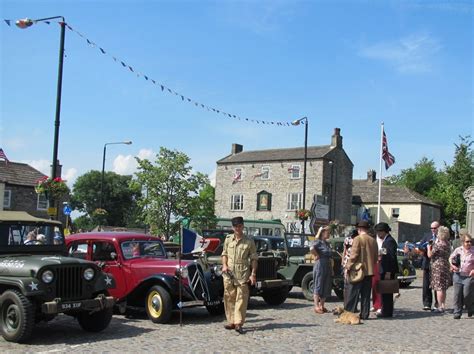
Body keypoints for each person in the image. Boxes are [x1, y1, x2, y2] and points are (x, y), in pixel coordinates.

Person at [221, 217, 258, 334]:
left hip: (243, 273)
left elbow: (254, 259)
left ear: (243, 226)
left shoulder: (249, 241)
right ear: (233, 227)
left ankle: (238, 323)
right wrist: (224, 265)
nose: (238, 228)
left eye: (240, 226)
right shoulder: (228, 239)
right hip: (229, 273)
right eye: (236, 226)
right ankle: (231, 321)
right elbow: (224, 254)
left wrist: (253, 274)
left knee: (241, 298)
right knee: (229, 296)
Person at [345, 220, 378, 320]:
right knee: (366, 295)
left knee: (353, 293)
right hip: (369, 271)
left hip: (358, 271)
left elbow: (354, 255)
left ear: (359, 229)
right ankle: (364, 314)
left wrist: (348, 266)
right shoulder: (373, 240)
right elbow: (375, 257)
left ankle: (348, 314)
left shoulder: (358, 239)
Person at [374, 222, 399, 318]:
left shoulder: (389, 241)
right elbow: (384, 254)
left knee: (387, 293)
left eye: (379, 232)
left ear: (383, 232)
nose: (378, 234)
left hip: (387, 270)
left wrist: (388, 272)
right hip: (384, 268)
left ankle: (387, 312)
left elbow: (390, 258)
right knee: (385, 292)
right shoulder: (386, 241)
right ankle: (385, 310)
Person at [449, 232, 474, 319]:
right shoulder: (458, 250)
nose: (469, 243)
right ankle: (457, 312)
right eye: (467, 242)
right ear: (463, 242)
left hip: (469, 276)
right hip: (458, 275)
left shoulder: (473, 251)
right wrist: (452, 266)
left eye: (470, 241)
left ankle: (471, 307)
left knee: (467, 294)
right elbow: (450, 258)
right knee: (457, 294)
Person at [416, 220, 440, 311]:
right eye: (432, 228)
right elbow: (420, 246)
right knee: (426, 284)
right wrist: (426, 248)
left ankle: (438, 303)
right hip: (427, 263)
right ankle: (427, 303)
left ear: (439, 228)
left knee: (437, 284)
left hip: (437, 263)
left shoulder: (442, 237)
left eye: (435, 228)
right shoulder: (427, 235)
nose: (433, 230)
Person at [427, 225, 451, 313]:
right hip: (445, 265)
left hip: (438, 266)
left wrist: (428, 248)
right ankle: (443, 305)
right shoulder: (448, 244)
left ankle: (440, 306)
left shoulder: (439, 245)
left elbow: (430, 255)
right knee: (443, 287)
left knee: (439, 287)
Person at [310, 225, 333, 314]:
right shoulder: (318, 242)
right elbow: (311, 248)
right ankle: (316, 306)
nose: (329, 234)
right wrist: (316, 255)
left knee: (326, 285)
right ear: (323, 233)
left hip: (327, 264)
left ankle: (322, 305)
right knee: (318, 284)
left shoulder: (326, 243)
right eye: (328, 232)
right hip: (320, 264)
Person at [342, 228, 358, 307]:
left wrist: (343, 260)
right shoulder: (350, 240)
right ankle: (348, 304)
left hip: (351, 262)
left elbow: (344, 251)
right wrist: (343, 260)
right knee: (349, 284)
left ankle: (348, 304)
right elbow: (344, 251)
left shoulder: (354, 239)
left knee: (350, 284)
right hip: (350, 262)